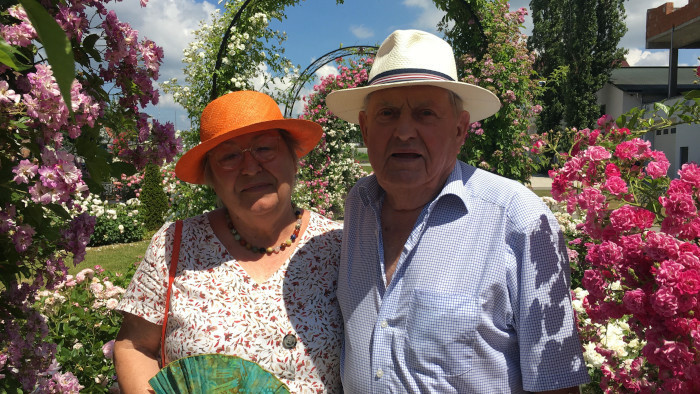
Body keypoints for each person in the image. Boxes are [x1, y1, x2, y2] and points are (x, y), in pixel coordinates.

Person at [326, 29, 590, 393]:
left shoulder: (518, 219)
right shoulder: (359, 203)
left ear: (460, 130)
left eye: (425, 113)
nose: (404, 132)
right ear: (366, 129)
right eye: (387, 113)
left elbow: (556, 384)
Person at [114, 91, 343, 393]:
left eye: (264, 148)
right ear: (211, 176)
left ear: (293, 158)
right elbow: (134, 346)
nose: (250, 167)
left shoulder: (340, 245)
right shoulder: (174, 244)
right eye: (230, 156)